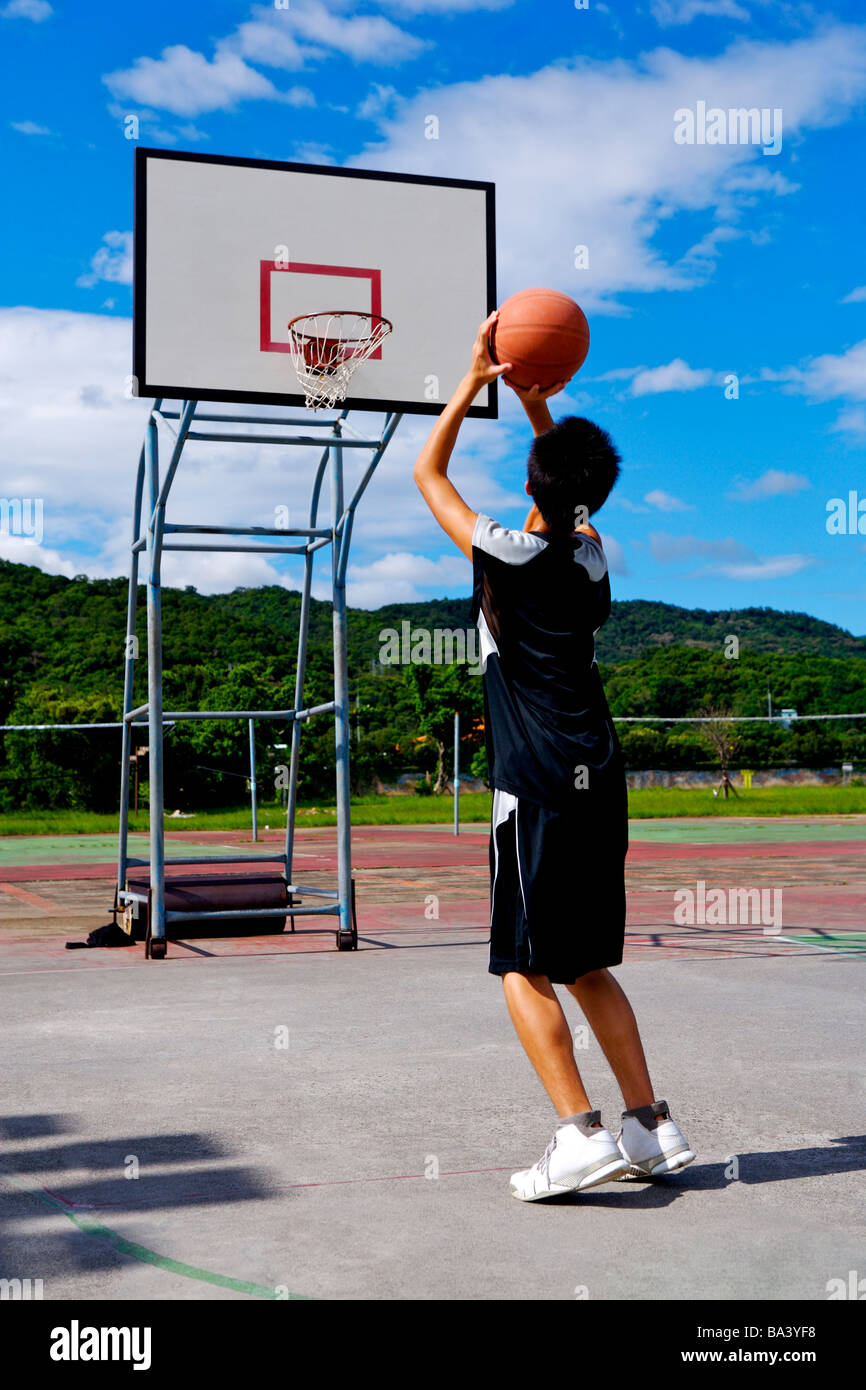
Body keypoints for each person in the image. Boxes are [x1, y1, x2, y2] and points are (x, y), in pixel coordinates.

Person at [413, 311, 695, 1201]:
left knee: (522, 965)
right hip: (600, 783)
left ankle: (579, 1137)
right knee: (587, 963)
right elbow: (572, 502)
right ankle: (651, 1126)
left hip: (533, 787)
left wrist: (474, 380)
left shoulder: (507, 551)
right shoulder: (592, 563)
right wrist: (542, 414)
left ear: (536, 484)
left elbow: (429, 472)